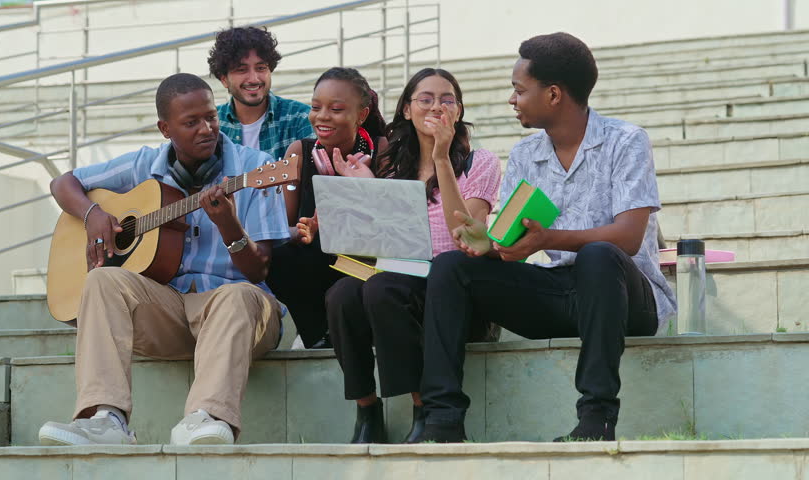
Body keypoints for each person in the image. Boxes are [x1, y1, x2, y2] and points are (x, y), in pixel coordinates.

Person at [412, 33, 676, 443]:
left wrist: (546, 238)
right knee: (452, 267)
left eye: (519, 90)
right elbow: (517, 242)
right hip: (560, 295)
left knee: (599, 256)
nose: (512, 100)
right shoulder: (524, 154)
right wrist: (494, 244)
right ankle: (442, 419)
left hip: (625, 298)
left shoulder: (626, 140)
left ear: (553, 94)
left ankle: (596, 418)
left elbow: (627, 238)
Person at [37, 73, 289, 446]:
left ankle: (207, 419)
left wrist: (229, 226)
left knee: (238, 295)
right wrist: (93, 215)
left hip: (238, 314)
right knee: (102, 281)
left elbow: (260, 269)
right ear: (165, 128)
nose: (206, 129)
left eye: (211, 117)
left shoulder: (257, 168)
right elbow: (63, 184)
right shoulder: (143, 165)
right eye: (191, 123)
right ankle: (105, 420)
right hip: (167, 312)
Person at [323, 68, 502, 443]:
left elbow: (465, 235)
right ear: (406, 109)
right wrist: (363, 191)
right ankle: (367, 410)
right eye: (425, 99)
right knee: (341, 294)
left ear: (458, 110)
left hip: (452, 291)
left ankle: (424, 408)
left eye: (447, 99)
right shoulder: (390, 167)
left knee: (381, 289)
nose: (436, 106)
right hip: (400, 279)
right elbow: (377, 243)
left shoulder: (479, 162)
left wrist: (441, 158)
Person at [265, 67, 388, 349]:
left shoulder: (383, 150)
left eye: (335, 109)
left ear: (362, 115)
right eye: (316, 107)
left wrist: (363, 188)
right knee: (278, 256)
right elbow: (284, 228)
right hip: (315, 262)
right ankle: (317, 336)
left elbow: (392, 226)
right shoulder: (298, 151)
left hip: (365, 262)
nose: (322, 117)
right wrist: (304, 230)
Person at [207, 26, 314, 161]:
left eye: (261, 68)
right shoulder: (211, 125)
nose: (254, 79)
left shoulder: (300, 118)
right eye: (241, 70)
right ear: (224, 79)